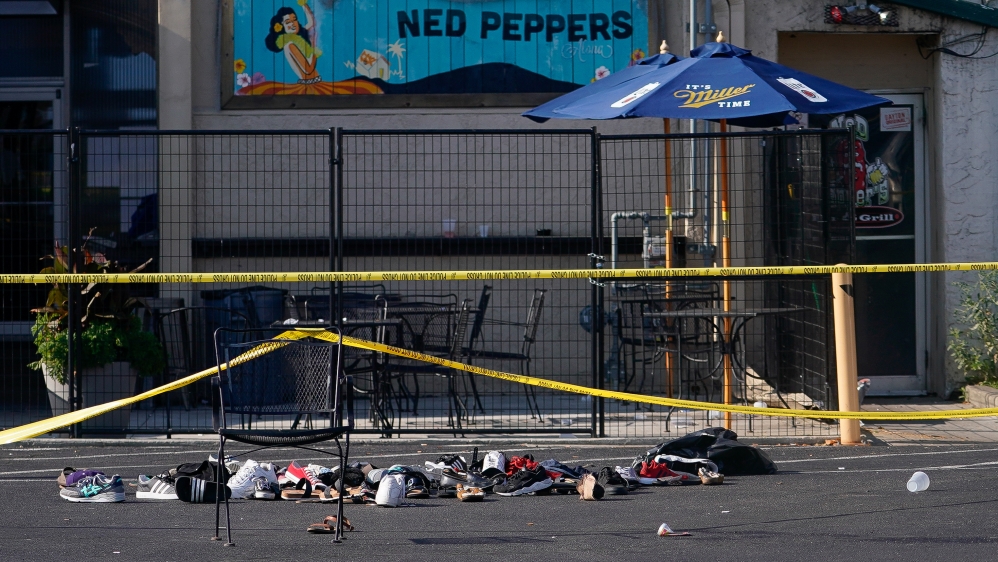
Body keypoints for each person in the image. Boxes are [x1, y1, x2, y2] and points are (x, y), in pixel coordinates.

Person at [265, 1, 320, 84]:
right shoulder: (290, 45)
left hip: (315, 83)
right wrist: (313, 46)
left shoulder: (297, 37)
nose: (293, 24)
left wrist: (303, 4)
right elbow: (308, 70)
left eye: (294, 20)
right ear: (282, 27)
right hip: (310, 84)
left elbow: (312, 23)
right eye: (287, 22)